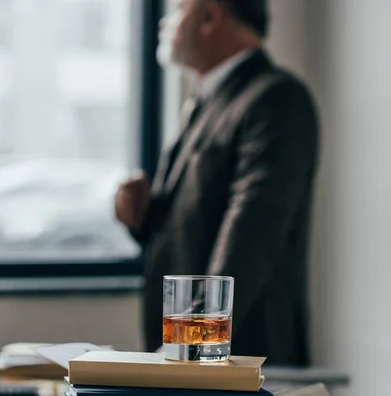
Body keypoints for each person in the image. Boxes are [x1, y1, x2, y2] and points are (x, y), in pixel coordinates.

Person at [115, 0, 319, 365]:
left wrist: (190, 341)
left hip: (241, 363)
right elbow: (195, 225)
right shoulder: (208, 100)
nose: (165, 22)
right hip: (197, 360)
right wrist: (142, 218)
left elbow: (253, 231)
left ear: (209, 16)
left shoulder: (275, 98)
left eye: (178, 9)